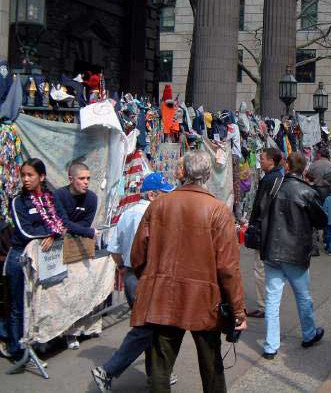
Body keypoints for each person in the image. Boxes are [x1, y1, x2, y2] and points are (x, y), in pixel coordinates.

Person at [130, 151, 246, 393]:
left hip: (164, 295)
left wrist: (152, 278)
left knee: (161, 365)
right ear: (207, 174)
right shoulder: (218, 210)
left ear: (184, 173)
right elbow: (228, 268)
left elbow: (137, 256)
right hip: (204, 299)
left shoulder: (159, 204)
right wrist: (238, 310)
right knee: (211, 364)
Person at [91, 173, 177, 392]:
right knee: (145, 329)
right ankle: (107, 371)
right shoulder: (151, 215)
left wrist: (123, 269)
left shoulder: (127, 214)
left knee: (151, 327)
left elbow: (114, 250)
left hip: (131, 275)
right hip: (145, 277)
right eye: (163, 194)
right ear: (152, 194)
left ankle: (156, 374)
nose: (166, 199)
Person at [260, 152, 328, 359]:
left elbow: (260, 212)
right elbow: (320, 220)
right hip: (295, 251)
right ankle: (308, 334)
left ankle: (271, 345)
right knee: (302, 296)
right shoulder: (306, 191)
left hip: (273, 248)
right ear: (304, 169)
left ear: (288, 167)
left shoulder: (274, 185)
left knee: (273, 298)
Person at [6, 159, 66, 361]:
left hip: (42, 259)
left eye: (30, 175)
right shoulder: (17, 201)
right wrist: (48, 234)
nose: (25, 179)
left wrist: (53, 234)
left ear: (41, 177)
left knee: (37, 303)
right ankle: (17, 350)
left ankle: (37, 343)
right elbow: (25, 231)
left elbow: (60, 222)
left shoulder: (51, 198)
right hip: (20, 258)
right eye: (23, 175)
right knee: (18, 306)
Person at [54, 161, 99, 349]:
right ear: (71, 179)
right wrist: (86, 232)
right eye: (82, 179)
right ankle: (65, 333)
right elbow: (63, 223)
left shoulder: (92, 198)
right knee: (62, 293)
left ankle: (83, 329)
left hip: (80, 250)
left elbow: (85, 223)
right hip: (60, 251)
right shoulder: (59, 195)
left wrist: (80, 230)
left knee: (82, 290)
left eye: (88, 178)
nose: (86, 182)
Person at [246, 147, 283, 319]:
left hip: (264, 230)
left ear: (271, 160)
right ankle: (266, 303)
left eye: (262, 158)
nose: (260, 161)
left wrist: (255, 226)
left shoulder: (271, 179)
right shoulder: (274, 177)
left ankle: (265, 305)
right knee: (264, 269)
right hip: (268, 229)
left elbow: (263, 206)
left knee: (261, 269)